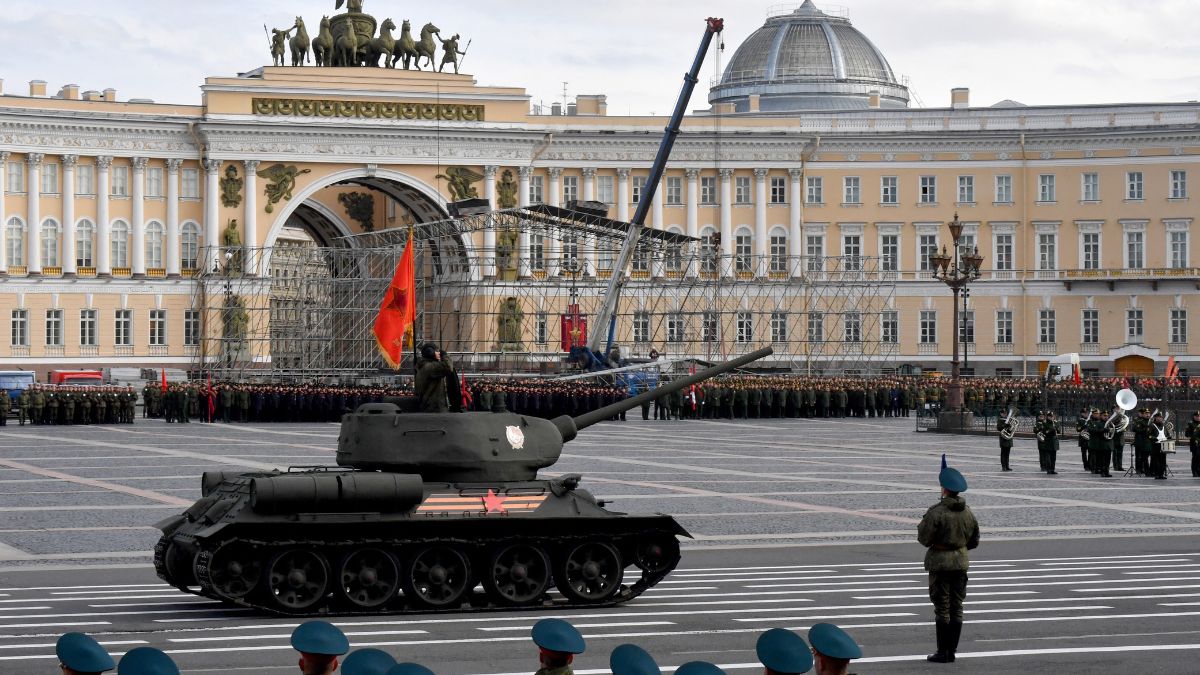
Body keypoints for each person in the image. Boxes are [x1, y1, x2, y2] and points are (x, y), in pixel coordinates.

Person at [918, 456, 980, 664]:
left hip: (941, 563)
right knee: (957, 605)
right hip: (961, 562)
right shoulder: (968, 513)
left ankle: (942, 651)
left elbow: (924, 538)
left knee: (942, 606)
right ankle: (951, 651)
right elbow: (974, 541)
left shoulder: (937, 512)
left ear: (944, 489)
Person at [415, 343, 454, 413]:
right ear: (430, 352)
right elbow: (448, 367)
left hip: (429, 406)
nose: (439, 353)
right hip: (435, 408)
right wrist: (445, 355)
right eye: (437, 351)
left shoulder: (424, 365)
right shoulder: (430, 367)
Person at [1149, 410, 1173, 480]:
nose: (1160, 419)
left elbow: (1167, 434)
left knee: (1163, 460)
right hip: (1156, 445)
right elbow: (1148, 435)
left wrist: (1169, 437)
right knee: (1156, 460)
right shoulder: (1152, 426)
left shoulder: (1164, 426)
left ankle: (1161, 474)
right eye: (1158, 417)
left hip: (1164, 444)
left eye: (1161, 418)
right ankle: (1157, 474)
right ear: (1155, 418)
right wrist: (1155, 438)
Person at [1187, 410, 1200, 477]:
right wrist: (1194, 437)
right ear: (1194, 417)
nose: (1198, 417)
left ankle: (1199, 471)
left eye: (1199, 416)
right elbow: (1187, 434)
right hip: (1194, 444)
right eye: (1197, 416)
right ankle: (1194, 472)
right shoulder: (1191, 424)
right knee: (1195, 457)